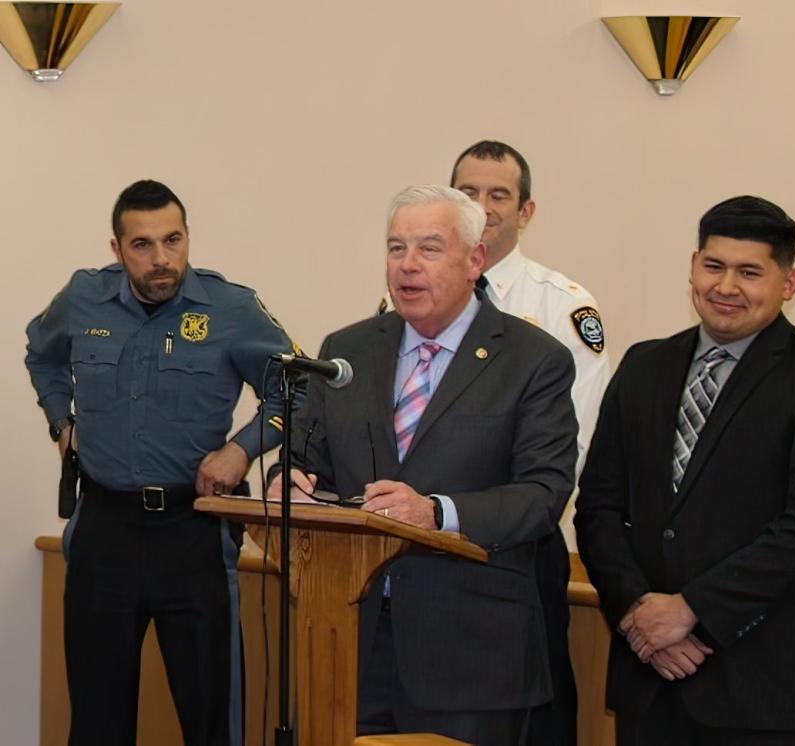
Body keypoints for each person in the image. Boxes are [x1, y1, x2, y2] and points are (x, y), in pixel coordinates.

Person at [269, 184, 578, 746]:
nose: (407, 265)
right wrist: (287, 480)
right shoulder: (350, 350)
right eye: (395, 248)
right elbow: (304, 458)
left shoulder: (534, 361)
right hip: (347, 639)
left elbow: (542, 493)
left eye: (429, 248)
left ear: (475, 259)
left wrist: (438, 512)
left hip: (471, 656)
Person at [575, 195, 795, 746]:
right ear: (693, 266)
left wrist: (691, 612)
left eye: (749, 272)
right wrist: (638, 614)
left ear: (789, 282)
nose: (726, 286)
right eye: (713, 266)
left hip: (764, 689)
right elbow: (597, 506)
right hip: (651, 678)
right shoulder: (644, 365)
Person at [25, 179, 299, 746]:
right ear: (117, 249)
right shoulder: (83, 298)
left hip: (192, 530)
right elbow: (41, 355)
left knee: (210, 719)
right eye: (143, 245)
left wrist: (241, 448)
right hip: (105, 528)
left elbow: (298, 391)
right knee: (97, 720)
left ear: (188, 237)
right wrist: (61, 423)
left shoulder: (231, 309)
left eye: (173, 240)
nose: (161, 259)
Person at [451, 139, 610, 745]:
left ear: (526, 211)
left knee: (530, 715)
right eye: (468, 193)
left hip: (519, 541)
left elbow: (574, 437)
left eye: (499, 195)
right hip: (423, 536)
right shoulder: (408, 300)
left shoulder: (564, 308)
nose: (484, 207)